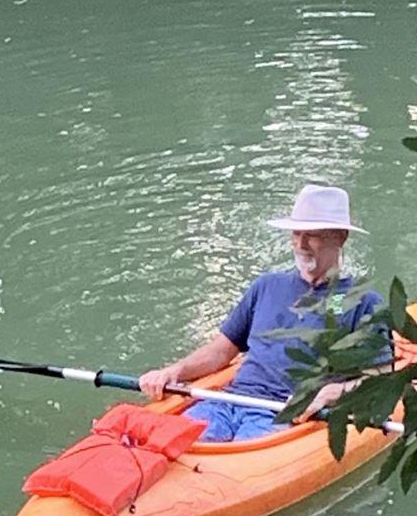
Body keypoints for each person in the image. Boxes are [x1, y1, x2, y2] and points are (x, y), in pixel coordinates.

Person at [138, 184, 388, 443]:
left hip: (284, 415)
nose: (300, 244)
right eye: (296, 233)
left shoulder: (364, 302)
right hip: (228, 401)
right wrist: (174, 371)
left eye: (312, 235)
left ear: (340, 237)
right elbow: (221, 351)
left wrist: (330, 393)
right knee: (166, 443)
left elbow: (381, 377)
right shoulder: (266, 286)